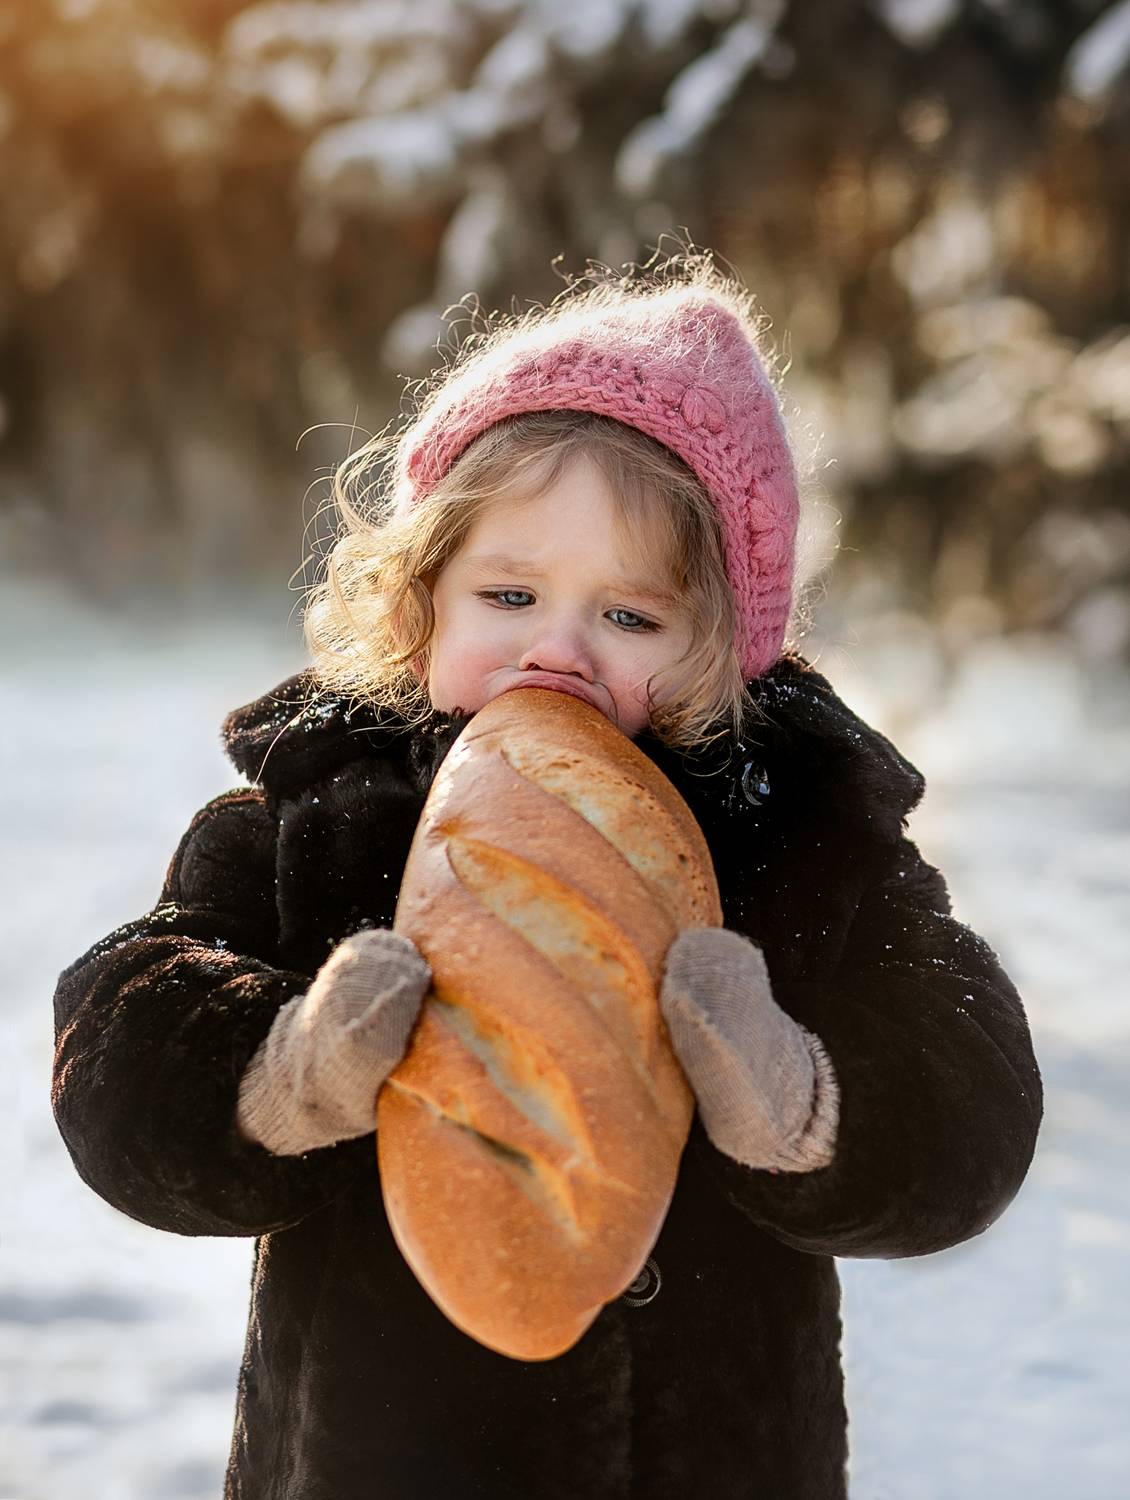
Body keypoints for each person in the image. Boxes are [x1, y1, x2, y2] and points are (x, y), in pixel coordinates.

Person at [51, 250, 1043, 1499]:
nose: (557, 651)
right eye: (508, 592)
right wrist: (282, 1075)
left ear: (728, 649)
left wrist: (803, 1103)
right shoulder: (322, 810)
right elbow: (119, 1047)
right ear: (420, 601)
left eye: (630, 617)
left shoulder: (800, 835)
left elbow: (972, 1097)